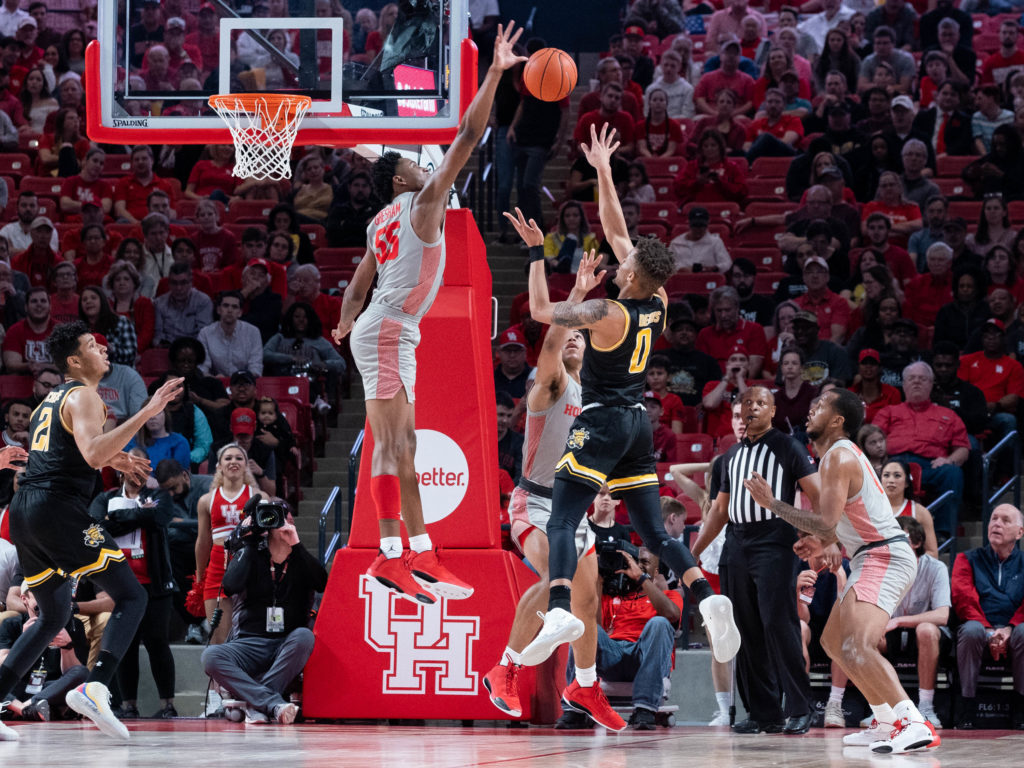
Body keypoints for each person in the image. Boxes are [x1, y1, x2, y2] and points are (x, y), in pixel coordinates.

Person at [508, 125, 739, 715]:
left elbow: (538, 309)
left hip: (605, 421)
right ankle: (707, 598)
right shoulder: (655, 301)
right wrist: (604, 170)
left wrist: (538, 254)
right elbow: (615, 230)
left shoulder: (605, 311)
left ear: (632, 274)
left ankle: (560, 608)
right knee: (659, 535)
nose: (620, 255)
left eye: (626, 259)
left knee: (561, 519)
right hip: (640, 424)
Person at [329, 24, 530, 609]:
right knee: (400, 445)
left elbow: (357, 285)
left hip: (385, 327)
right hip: (390, 328)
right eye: (417, 163)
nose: (428, 165)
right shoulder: (422, 203)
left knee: (395, 445)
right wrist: (494, 73)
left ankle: (400, 556)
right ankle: (410, 553)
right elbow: (468, 134)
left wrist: (344, 326)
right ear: (401, 178)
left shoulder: (379, 222)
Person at [0, 322, 182, 742]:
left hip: (25, 509)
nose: (102, 349)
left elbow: (73, 452)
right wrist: (149, 410)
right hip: (58, 508)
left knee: (54, 616)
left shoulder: (50, 399)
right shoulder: (85, 395)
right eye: (92, 346)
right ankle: (96, 688)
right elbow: (91, 451)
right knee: (133, 594)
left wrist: (114, 459)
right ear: (75, 361)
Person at [744, 388, 939, 753]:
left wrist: (772, 503)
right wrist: (820, 544)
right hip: (869, 554)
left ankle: (913, 721)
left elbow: (825, 520)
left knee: (858, 644)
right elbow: (834, 525)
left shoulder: (838, 456)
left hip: (884, 556)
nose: (811, 410)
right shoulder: (836, 457)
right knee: (834, 641)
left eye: (820, 406)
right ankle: (884, 720)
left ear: (837, 420)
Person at [482, 263, 602, 726]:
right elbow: (553, 341)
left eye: (580, 336)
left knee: (587, 601)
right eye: (568, 334)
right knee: (558, 575)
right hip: (534, 500)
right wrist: (574, 295)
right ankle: (505, 671)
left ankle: (586, 686)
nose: (573, 339)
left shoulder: (594, 396)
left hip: (575, 508)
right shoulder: (550, 384)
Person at [691, 386, 819, 735]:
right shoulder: (729, 457)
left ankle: (800, 707)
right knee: (744, 628)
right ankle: (764, 713)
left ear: (773, 410)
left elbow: (818, 494)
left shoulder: (789, 447)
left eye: (761, 403)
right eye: (747, 403)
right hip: (736, 541)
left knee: (779, 623)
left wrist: (817, 536)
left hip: (774, 540)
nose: (753, 408)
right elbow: (718, 509)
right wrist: (696, 550)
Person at [202, 497, 327, 725]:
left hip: (285, 643)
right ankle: (272, 704)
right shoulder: (251, 555)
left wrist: (297, 545)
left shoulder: (299, 560)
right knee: (211, 656)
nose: (285, 525)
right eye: (277, 520)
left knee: (304, 636)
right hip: (250, 643)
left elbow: (322, 582)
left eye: (289, 520)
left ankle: (257, 703)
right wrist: (250, 541)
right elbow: (230, 586)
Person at [88, 446, 178, 719]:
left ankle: (167, 705)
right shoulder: (105, 498)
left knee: (157, 642)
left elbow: (159, 518)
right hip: (119, 585)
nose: (137, 473)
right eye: (131, 467)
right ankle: (129, 705)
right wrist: (140, 516)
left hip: (155, 583)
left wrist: (116, 517)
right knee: (124, 646)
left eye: (142, 468)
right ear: (120, 471)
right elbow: (95, 528)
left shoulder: (159, 496)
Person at [872, 361, 969, 537]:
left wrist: (948, 460)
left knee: (953, 473)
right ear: (904, 384)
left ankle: (942, 533)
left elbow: (962, 448)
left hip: (929, 467)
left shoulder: (948, 415)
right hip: (893, 464)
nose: (916, 382)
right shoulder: (888, 412)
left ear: (931, 384)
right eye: (911, 378)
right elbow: (871, 440)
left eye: (922, 379)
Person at [951, 504, 1024, 730]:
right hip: (979, 628)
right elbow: (963, 599)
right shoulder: (967, 558)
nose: (997, 524)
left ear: (1019, 532)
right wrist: (989, 631)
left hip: (1015, 629)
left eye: (1005, 520)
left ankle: (1021, 708)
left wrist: (1009, 628)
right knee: (972, 630)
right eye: (993, 519)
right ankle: (967, 707)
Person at [194, 443, 267, 659]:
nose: (233, 462)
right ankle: (219, 689)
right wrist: (199, 576)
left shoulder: (259, 496)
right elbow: (203, 540)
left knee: (251, 632)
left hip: (250, 564)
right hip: (218, 566)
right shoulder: (206, 500)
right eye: (228, 458)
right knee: (218, 638)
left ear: (246, 465)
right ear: (218, 466)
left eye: (239, 458)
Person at [0, 578, 88, 723]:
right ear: (24, 599)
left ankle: (22, 709)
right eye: (40, 597)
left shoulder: (73, 625)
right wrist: (24, 641)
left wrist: (66, 647)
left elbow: (74, 673)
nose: (47, 603)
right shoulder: (11, 624)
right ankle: (25, 710)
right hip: (16, 687)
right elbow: (2, 663)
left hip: (49, 691)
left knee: (82, 674)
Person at [197, 291, 263, 378]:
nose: (230, 310)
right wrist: (214, 379)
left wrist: (240, 380)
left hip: (245, 383)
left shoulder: (253, 332)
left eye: (234, 307)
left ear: (240, 313)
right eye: (226, 306)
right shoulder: (205, 333)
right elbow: (202, 369)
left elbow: (256, 368)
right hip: (216, 383)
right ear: (218, 310)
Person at [883, 461, 939, 559]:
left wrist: (906, 560)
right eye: (886, 475)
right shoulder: (869, 509)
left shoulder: (920, 512)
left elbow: (933, 553)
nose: (891, 480)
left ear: (907, 483)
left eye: (897, 475)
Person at [668, 206, 732, 274]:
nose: (698, 229)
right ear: (689, 223)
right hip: (682, 280)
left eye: (701, 225)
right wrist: (681, 270)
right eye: (695, 225)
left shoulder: (715, 242)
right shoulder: (676, 243)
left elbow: (727, 264)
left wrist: (713, 268)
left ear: (707, 224)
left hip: (706, 279)